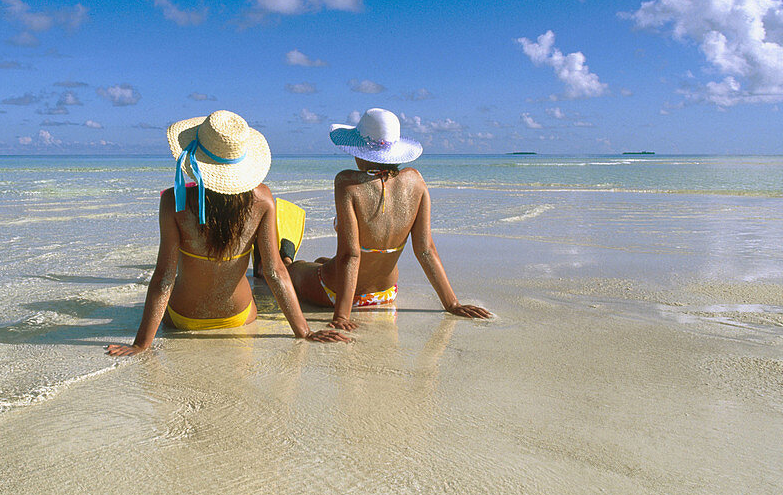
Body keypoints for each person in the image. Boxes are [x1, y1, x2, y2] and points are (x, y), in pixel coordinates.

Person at [107, 110, 350, 356]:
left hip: (183, 318)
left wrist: (141, 344)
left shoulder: (174, 201)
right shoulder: (263, 199)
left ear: (196, 158)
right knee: (267, 274)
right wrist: (304, 331)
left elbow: (164, 277)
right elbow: (274, 272)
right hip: (239, 316)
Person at [288, 108, 493, 330]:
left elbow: (351, 255)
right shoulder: (416, 181)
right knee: (322, 260)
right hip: (385, 294)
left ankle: (285, 259)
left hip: (335, 294)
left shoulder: (347, 184)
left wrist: (341, 317)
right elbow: (425, 250)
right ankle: (319, 263)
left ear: (359, 152)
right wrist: (452, 303)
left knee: (295, 269)